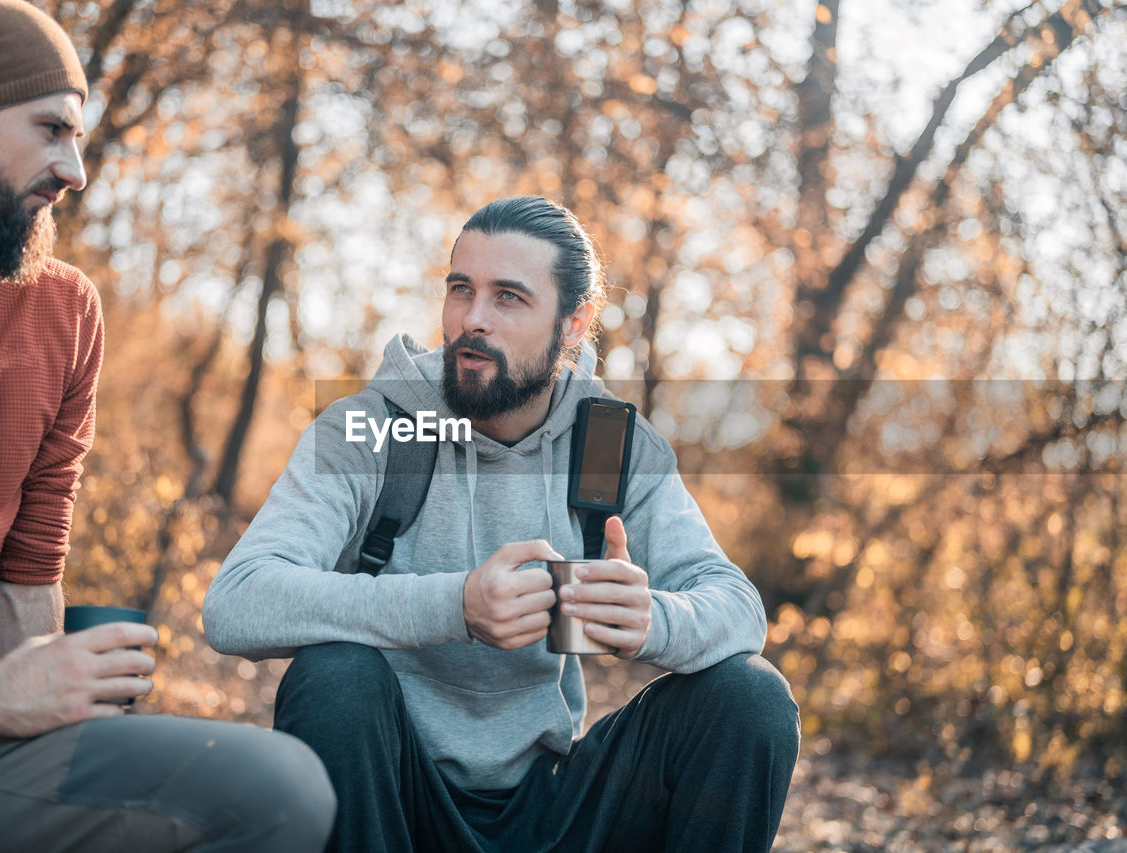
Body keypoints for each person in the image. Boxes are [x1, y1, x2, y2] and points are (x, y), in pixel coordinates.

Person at [0, 1, 334, 849]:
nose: (74, 171)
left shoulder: (62, 311)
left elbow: (28, 575)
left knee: (279, 789)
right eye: (49, 130)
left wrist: (53, 695)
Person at [204, 195, 800, 851]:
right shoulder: (370, 427)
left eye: (508, 298)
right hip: (392, 800)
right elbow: (238, 600)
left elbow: (739, 608)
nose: (472, 320)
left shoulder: (609, 447)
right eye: (461, 290)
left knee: (751, 698)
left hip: (556, 806)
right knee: (334, 678)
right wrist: (454, 603)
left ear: (575, 323)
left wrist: (651, 619)